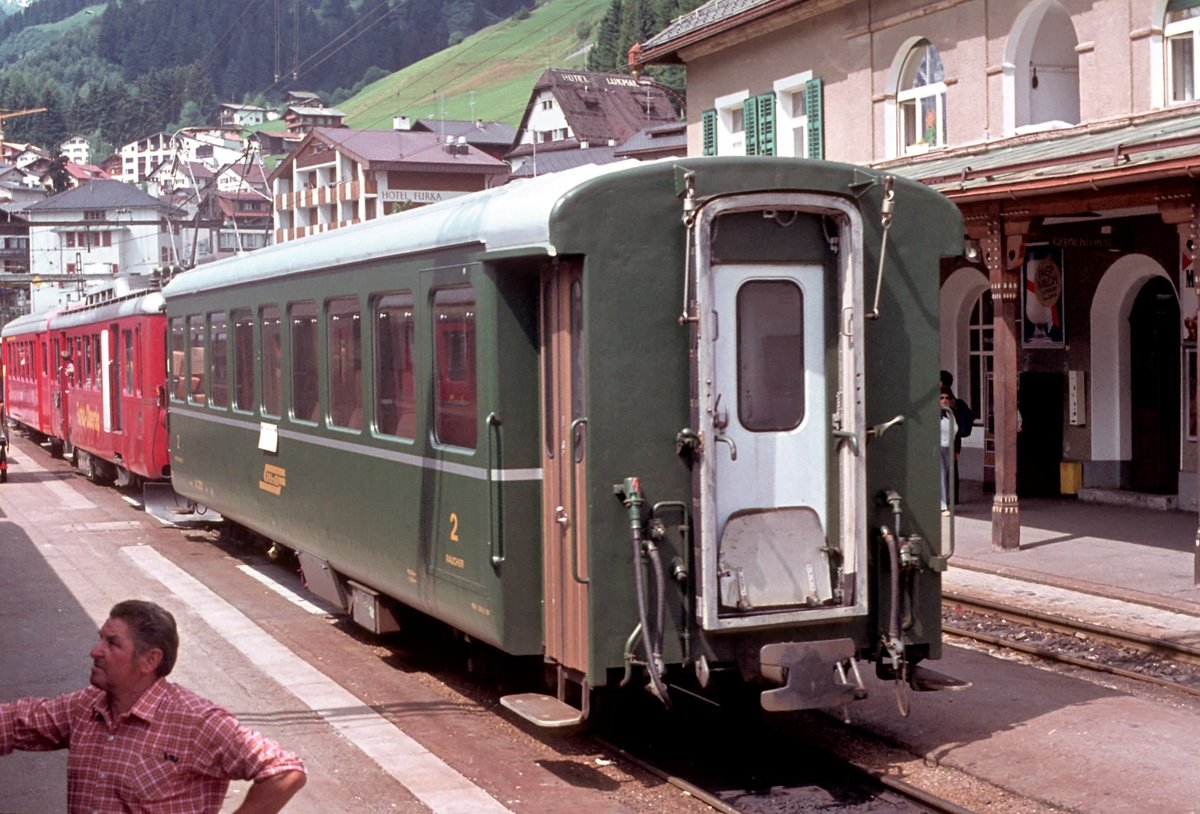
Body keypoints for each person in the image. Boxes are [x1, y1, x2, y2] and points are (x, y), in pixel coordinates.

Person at [0, 599, 306, 813]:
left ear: (150, 660)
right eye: (100, 640)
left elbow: (285, 771)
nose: (95, 651)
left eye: (112, 643)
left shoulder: (195, 721)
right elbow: (14, 722)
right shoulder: (85, 707)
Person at [939, 386, 955, 516]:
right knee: (941, 476)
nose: (945, 400)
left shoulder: (949, 414)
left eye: (947, 398)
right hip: (938, 447)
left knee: (947, 476)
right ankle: (942, 505)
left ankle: (945, 502)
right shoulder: (935, 415)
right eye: (942, 398)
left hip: (949, 447)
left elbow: (955, 432)